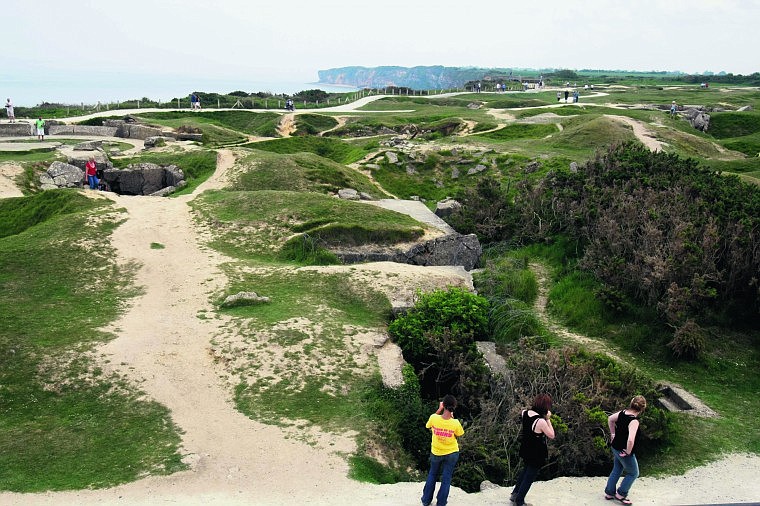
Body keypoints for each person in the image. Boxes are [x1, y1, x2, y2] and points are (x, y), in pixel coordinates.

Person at [511, 393, 555, 506]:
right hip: (536, 452)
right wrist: (548, 419)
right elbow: (551, 435)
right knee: (529, 476)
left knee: (525, 470)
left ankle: (515, 493)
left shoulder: (525, 412)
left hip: (525, 448)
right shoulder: (540, 421)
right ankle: (519, 501)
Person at [421, 395, 464, 506]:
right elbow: (459, 434)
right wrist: (453, 418)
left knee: (432, 474)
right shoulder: (455, 423)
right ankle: (441, 503)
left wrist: (439, 410)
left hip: (436, 452)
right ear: (454, 407)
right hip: (452, 453)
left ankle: (426, 500)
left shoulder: (434, 418)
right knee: (446, 478)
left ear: (443, 405)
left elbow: (427, 426)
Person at [604, 395, 647, 505]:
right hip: (624, 451)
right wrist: (628, 452)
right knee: (634, 473)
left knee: (617, 468)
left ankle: (609, 493)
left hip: (615, 447)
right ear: (642, 408)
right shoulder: (634, 421)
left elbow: (610, 419)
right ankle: (621, 494)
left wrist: (613, 433)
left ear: (631, 403)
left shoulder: (622, 413)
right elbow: (631, 440)